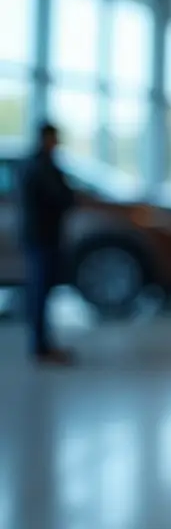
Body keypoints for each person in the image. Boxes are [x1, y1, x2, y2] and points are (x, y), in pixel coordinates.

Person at [18, 122, 77, 365]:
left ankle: (42, 344)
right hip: (43, 236)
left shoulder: (34, 165)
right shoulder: (41, 167)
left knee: (41, 290)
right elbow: (60, 197)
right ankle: (41, 347)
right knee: (40, 291)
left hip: (41, 235)